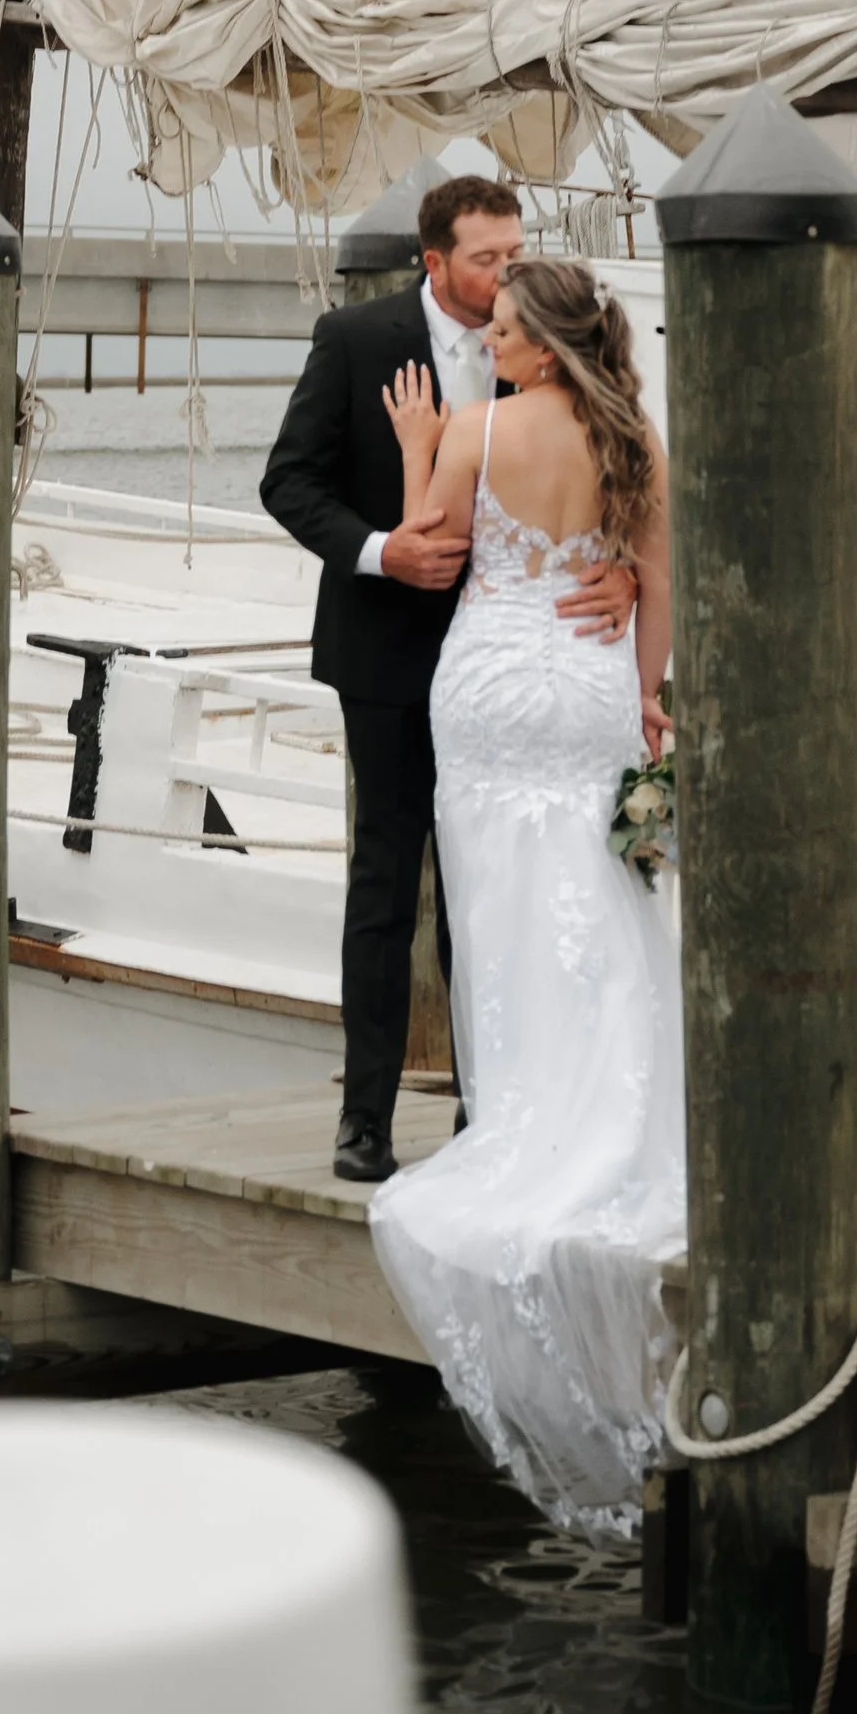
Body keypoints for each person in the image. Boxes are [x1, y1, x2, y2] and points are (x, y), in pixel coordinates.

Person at [367, 257, 683, 1535]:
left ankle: (515, 1115)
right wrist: (649, 701)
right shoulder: (631, 441)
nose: (486, 339)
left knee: (499, 913)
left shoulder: (475, 428)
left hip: (490, 688)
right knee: (600, 902)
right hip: (588, 675)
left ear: (544, 349)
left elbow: (432, 553)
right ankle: (602, 1115)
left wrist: (415, 450)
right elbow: (654, 593)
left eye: (500, 328)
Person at [260, 177, 633, 1184]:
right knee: (387, 882)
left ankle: (493, 1108)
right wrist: (382, 551)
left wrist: (624, 571)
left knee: (498, 881)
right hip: (388, 650)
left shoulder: (550, 341)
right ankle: (365, 1118)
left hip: (522, 655)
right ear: (433, 263)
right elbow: (288, 481)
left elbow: (618, 487)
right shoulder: (352, 338)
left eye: (515, 252)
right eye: (485, 258)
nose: (505, 271)